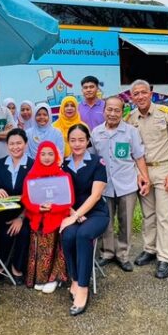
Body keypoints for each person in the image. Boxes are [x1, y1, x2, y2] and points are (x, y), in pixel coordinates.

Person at [127, 80, 168, 279]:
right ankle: (150, 249)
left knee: (165, 216)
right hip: (143, 172)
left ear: (151, 93)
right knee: (148, 215)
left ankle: (165, 258)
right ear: (132, 97)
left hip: (164, 170)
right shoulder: (130, 118)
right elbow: (131, 149)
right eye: (136, 94)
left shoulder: (166, 113)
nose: (140, 96)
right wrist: (138, 174)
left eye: (144, 92)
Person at [91, 96, 149, 272]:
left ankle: (123, 255)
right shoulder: (96, 133)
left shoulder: (131, 132)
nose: (113, 113)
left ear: (122, 112)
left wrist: (145, 178)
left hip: (127, 185)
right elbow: (92, 158)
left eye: (117, 110)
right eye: (109, 109)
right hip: (104, 186)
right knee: (106, 221)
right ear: (104, 111)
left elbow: (139, 156)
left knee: (126, 222)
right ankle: (107, 253)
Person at [60, 124, 110, 316]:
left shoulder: (98, 162)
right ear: (68, 141)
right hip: (73, 212)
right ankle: (74, 279)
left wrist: (75, 216)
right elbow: (60, 193)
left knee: (83, 235)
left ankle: (83, 288)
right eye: (73, 140)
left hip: (96, 213)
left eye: (81, 140)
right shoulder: (63, 164)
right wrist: (73, 214)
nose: (77, 144)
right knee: (68, 235)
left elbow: (95, 196)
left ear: (88, 141)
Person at [21, 141, 72, 293]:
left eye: (50, 154)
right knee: (38, 249)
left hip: (56, 219)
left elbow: (69, 200)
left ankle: (53, 278)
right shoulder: (31, 175)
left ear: (56, 156)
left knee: (52, 248)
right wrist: (38, 208)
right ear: (38, 156)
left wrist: (53, 208)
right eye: (43, 154)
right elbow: (25, 198)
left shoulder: (63, 176)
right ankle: (39, 278)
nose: (47, 157)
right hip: (38, 218)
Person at [0, 128, 34, 284]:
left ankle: (16, 268)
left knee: (24, 232)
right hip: (4, 212)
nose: (15, 147)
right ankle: (0, 266)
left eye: (19, 143)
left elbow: (35, 196)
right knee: (6, 232)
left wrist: (21, 217)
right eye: (12, 144)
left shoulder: (33, 165)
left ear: (26, 144)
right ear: (7, 145)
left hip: (26, 211)